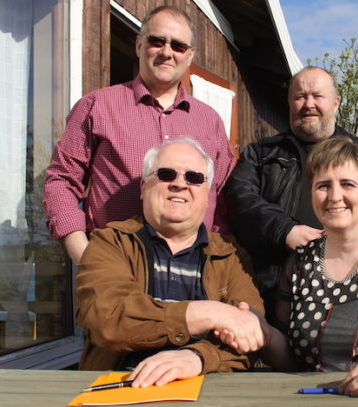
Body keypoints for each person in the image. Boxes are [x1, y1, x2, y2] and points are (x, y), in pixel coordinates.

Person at [221, 137, 358, 397]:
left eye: (348, 184)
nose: (334, 196)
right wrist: (265, 334)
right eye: (323, 186)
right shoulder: (300, 261)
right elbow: (291, 360)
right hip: (314, 403)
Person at [43, 6, 233, 265]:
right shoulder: (97, 106)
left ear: (190, 56)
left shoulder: (210, 121)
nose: (166, 52)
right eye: (157, 41)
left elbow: (222, 200)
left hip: (194, 271)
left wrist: (217, 265)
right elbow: (61, 181)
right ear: (139, 45)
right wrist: (84, 256)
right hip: (115, 267)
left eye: (178, 46)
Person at [74, 138, 263, 387]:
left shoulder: (231, 256)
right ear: (143, 187)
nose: (179, 184)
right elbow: (108, 319)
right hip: (120, 388)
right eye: (166, 174)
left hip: (209, 394)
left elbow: (251, 334)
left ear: (208, 196)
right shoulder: (110, 243)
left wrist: (197, 357)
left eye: (194, 178)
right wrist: (212, 313)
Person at [224, 66, 358, 314]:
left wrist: (347, 239)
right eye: (300, 97)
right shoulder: (259, 154)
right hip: (271, 294)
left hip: (354, 291)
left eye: (318, 96)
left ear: (336, 102)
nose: (309, 104)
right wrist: (284, 231)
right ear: (290, 103)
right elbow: (240, 200)